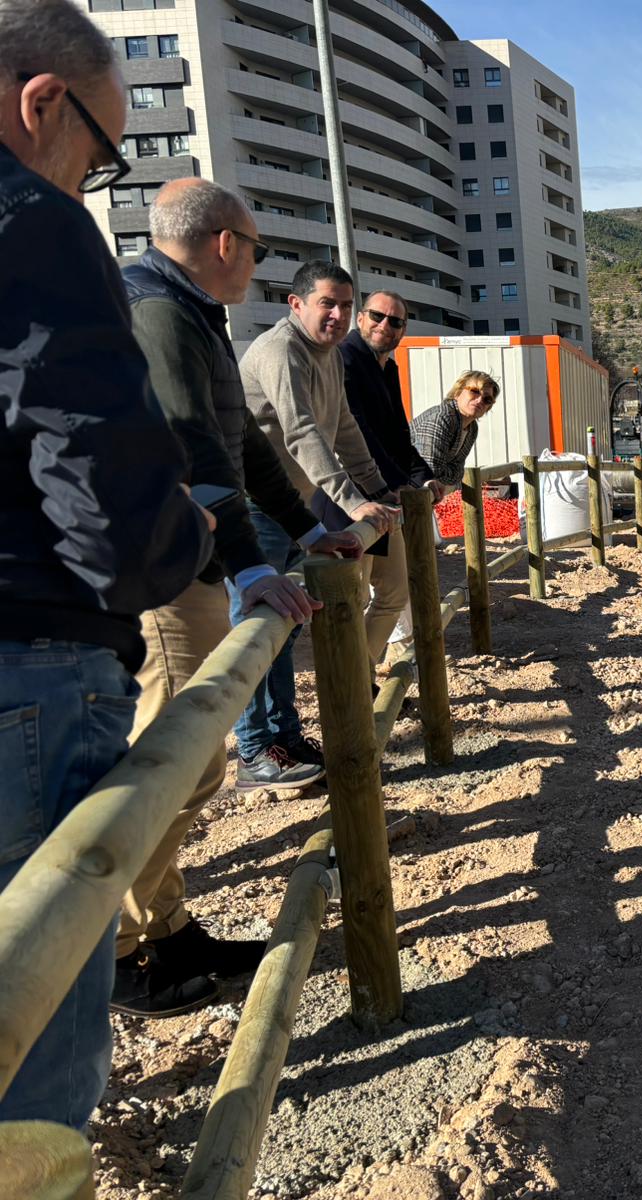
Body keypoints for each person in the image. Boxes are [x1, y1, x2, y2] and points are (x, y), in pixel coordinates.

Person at [0, 0, 213, 1129]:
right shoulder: (29, 220)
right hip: (27, 658)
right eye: (100, 151)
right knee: (31, 1025)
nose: (96, 182)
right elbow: (99, 470)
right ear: (42, 101)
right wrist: (185, 544)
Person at [118, 179, 364, 1015]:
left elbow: (245, 448)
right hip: (163, 568)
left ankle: (164, 924)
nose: (256, 267)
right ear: (225, 242)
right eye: (255, 250)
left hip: (189, 559)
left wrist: (297, 532)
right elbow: (195, 446)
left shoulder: (190, 313)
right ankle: (123, 947)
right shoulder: (158, 312)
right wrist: (245, 565)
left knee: (191, 761)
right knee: (168, 758)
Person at [238, 261, 398, 764]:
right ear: (296, 304)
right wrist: (355, 502)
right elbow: (301, 432)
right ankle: (255, 748)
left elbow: (344, 427)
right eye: (328, 303)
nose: (338, 314)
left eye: (345, 305)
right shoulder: (282, 350)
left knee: (286, 624)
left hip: (291, 505)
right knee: (255, 628)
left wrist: (379, 489)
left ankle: (284, 735)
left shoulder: (326, 355)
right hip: (253, 505)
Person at [338, 290, 443, 663]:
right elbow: (356, 435)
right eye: (378, 316)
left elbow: (398, 436)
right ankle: (356, 685)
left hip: (386, 499)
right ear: (361, 318)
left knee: (395, 594)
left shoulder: (389, 368)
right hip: (349, 500)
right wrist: (398, 484)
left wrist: (422, 478)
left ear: (403, 329)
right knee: (356, 597)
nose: (385, 325)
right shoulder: (345, 360)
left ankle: (360, 672)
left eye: (395, 321)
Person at [412, 370, 499, 488]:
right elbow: (431, 471)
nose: (479, 400)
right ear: (457, 392)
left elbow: (458, 471)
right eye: (474, 391)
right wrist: (449, 474)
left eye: (487, 399)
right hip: (395, 489)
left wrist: (448, 474)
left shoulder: (472, 428)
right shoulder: (441, 418)